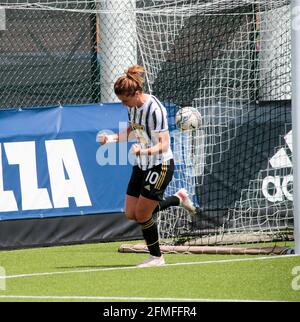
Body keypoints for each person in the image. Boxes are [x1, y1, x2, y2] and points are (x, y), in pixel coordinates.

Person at [97, 65, 196, 267]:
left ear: (137, 93)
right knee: (130, 213)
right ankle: (178, 199)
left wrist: (142, 151)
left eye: (125, 100)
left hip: (160, 165)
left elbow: (163, 145)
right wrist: (112, 138)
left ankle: (157, 257)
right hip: (141, 164)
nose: (124, 105)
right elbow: (135, 132)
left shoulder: (155, 110)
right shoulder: (133, 108)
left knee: (143, 214)